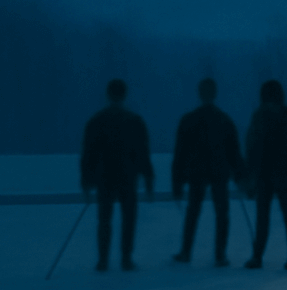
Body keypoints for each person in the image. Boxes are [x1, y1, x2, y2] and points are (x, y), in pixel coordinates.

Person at [80, 78, 156, 271]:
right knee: (128, 218)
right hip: (127, 176)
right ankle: (126, 258)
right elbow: (142, 152)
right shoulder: (134, 121)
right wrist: (148, 179)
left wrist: (87, 180)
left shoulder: (96, 121)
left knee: (105, 218)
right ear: (124, 95)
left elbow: (89, 153)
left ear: (108, 95)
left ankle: (103, 259)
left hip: (104, 177)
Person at [171, 78, 245, 266]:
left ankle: (186, 252)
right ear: (215, 94)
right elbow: (234, 152)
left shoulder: (189, 120)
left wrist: (177, 182)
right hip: (219, 172)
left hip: (196, 172)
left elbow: (180, 153)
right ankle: (220, 255)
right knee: (221, 213)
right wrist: (240, 176)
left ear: (200, 93)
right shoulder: (225, 120)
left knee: (193, 212)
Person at [244, 79, 287, 270]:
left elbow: (252, 148)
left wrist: (249, 177)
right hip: (274, 175)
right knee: (276, 217)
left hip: (276, 175)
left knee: (276, 217)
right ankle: (267, 256)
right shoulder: (284, 117)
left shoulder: (267, 118)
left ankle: (264, 256)